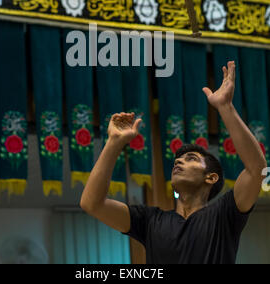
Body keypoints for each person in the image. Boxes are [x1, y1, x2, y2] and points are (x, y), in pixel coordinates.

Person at [80, 61, 267, 264]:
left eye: (191, 159)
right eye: (178, 160)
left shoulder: (224, 215)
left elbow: (257, 169)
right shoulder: (150, 221)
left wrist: (225, 107)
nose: (178, 162)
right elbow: (92, 204)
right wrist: (114, 142)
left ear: (211, 177)